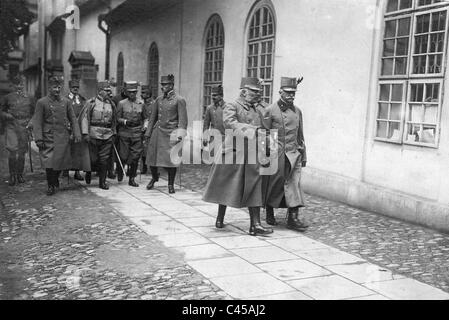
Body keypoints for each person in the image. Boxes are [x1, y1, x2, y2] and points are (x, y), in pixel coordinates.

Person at [202, 77, 273, 236]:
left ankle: (255, 225)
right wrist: (250, 129)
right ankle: (220, 218)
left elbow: (262, 129)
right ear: (244, 92)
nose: (257, 94)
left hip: (251, 153)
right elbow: (229, 123)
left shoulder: (256, 109)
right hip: (232, 152)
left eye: (258, 92)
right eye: (254, 92)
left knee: (254, 186)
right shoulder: (232, 105)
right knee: (225, 186)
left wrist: (267, 146)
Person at [262, 76, 308, 232]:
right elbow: (264, 133)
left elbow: (300, 135)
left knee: (294, 184)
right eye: (288, 93)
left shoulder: (297, 111)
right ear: (280, 91)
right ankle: (269, 211)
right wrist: (266, 155)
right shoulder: (270, 110)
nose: (291, 96)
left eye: (294, 93)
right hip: (276, 153)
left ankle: (293, 218)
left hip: (294, 154)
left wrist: (304, 156)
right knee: (274, 185)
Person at [33, 75, 81, 195]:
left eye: (59, 87)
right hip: (48, 137)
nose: (57, 90)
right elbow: (37, 121)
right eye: (54, 87)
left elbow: (73, 119)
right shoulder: (41, 102)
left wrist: (77, 133)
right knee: (49, 162)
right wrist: (38, 138)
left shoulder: (66, 102)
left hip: (62, 136)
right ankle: (51, 185)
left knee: (60, 162)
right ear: (49, 88)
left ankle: (55, 180)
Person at [145, 74, 188, 194]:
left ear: (171, 85)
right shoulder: (158, 100)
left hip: (171, 133)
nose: (163, 87)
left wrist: (180, 134)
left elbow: (183, 120)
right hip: (158, 132)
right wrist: (148, 133)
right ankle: (154, 177)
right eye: (162, 85)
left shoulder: (179, 100)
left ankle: (170, 184)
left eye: (165, 85)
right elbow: (152, 118)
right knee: (152, 158)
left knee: (171, 161)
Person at [80, 81, 117, 190]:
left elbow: (114, 120)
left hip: (107, 135)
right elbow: (85, 118)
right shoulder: (91, 103)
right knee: (93, 159)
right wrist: (85, 133)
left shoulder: (112, 104)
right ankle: (88, 172)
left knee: (104, 159)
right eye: (106, 90)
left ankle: (102, 182)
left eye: (109, 90)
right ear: (100, 91)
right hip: (93, 134)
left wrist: (113, 133)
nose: (108, 92)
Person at [0, 75, 35, 186]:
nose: (20, 86)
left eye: (21, 84)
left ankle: (19, 174)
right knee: (12, 150)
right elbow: (1, 111)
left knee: (21, 152)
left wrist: (31, 123)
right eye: (17, 84)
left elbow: (35, 113)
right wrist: (7, 115)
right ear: (13, 85)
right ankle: (12, 175)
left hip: (24, 126)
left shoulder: (30, 97)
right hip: (11, 126)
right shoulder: (7, 98)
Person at [202, 85, 227, 228]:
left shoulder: (228, 108)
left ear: (221, 95)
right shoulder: (210, 108)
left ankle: (221, 216)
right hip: (215, 142)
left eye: (216, 96)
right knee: (217, 175)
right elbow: (206, 124)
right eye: (212, 96)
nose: (214, 98)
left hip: (227, 143)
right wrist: (205, 136)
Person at [116, 81, 147, 187]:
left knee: (135, 157)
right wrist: (125, 121)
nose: (132, 94)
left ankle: (132, 179)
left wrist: (145, 126)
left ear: (136, 92)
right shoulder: (121, 104)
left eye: (134, 92)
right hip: (125, 133)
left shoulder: (141, 103)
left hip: (137, 133)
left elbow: (146, 118)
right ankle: (120, 170)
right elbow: (117, 118)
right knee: (124, 156)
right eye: (130, 92)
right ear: (126, 92)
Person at [63, 79, 89, 181]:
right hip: (68, 128)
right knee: (67, 149)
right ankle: (65, 170)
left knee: (78, 150)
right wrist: (67, 124)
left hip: (78, 128)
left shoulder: (82, 99)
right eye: (73, 87)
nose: (75, 89)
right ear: (70, 88)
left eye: (77, 87)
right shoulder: (64, 99)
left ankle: (77, 172)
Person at [140, 84, 155, 174]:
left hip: (151, 129)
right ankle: (144, 167)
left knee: (151, 149)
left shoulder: (153, 104)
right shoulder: (141, 104)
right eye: (142, 92)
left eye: (144, 93)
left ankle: (154, 168)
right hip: (142, 128)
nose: (142, 94)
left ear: (149, 94)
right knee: (143, 149)